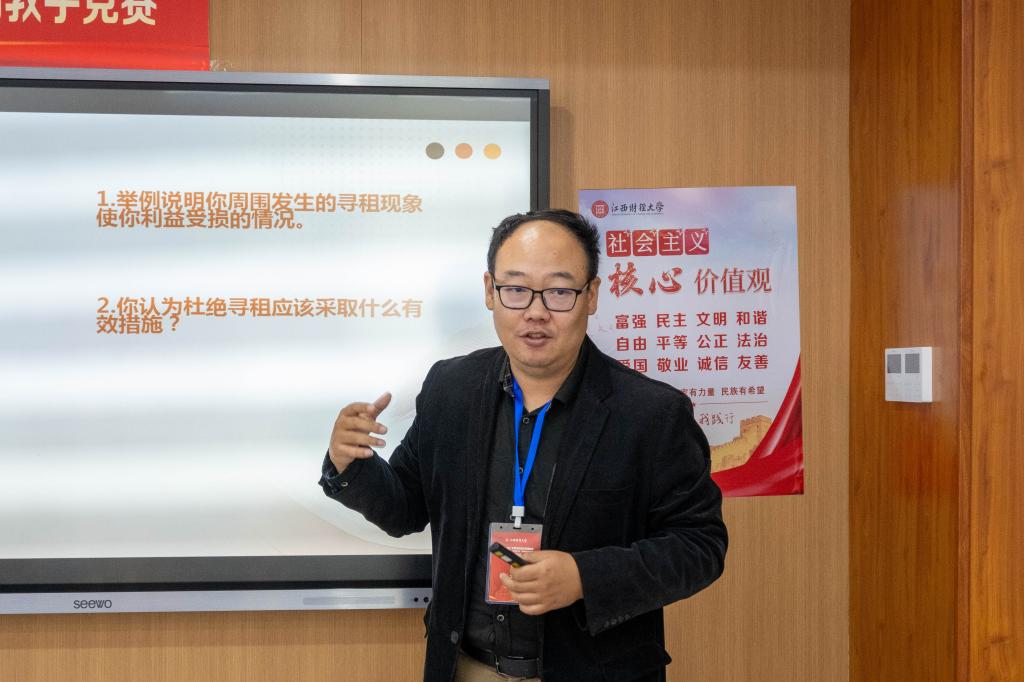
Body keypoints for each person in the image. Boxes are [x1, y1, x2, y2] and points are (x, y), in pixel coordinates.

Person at [319, 209, 727, 681]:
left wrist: (584, 577)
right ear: (490, 291)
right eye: (516, 289)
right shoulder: (451, 388)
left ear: (592, 295)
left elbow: (699, 546)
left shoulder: (650, 413)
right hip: (467, 667)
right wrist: (351, 464)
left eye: (559, 291)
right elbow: (405, 509)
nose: (535, 312)